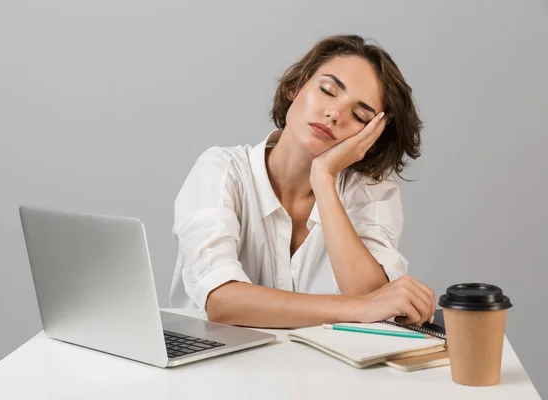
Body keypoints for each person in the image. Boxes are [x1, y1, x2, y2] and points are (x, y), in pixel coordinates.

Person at [169, 34, 435, 328]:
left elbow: (374, 301)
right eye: (327, 90)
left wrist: (323, 179)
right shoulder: (221, 170)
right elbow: (220, 301)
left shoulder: (369, 191)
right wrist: (357, 307)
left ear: (370, 138)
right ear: (293, 87)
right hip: (209, 369)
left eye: (359, 115)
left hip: (316, 372)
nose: (334, 114)